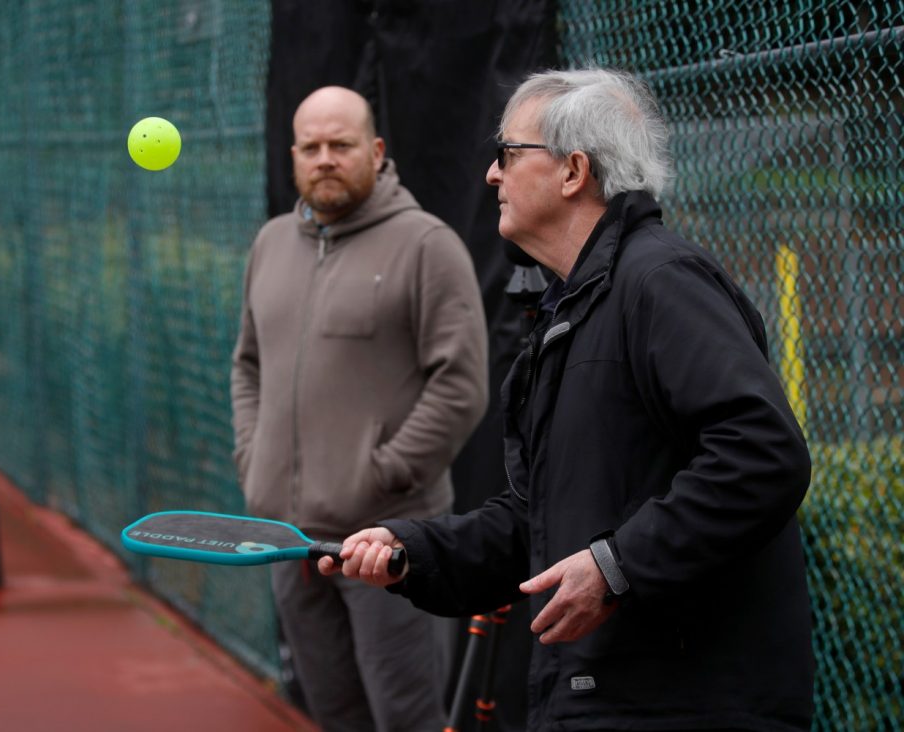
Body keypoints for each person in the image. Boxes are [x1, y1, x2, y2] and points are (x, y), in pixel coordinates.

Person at [320, 67, 815, 731]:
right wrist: (413, 552)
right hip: (603, 697)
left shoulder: (661, 282)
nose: (492, 175)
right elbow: (535, 524)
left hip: (683, 706)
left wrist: (615, 567)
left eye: (508, 154)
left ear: (573, 171)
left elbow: (763, 454)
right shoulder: (566, 317)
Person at [231, 85, 489, 731]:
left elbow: (460, 385)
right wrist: (253, 457)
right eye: (310, 147)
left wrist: (380, 478)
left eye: (340, 145)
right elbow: (248, 365)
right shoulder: (269, 244)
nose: (324, 158)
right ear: (292, 155)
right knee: (332, 713)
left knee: (408, 719)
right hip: (288, 545)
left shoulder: (427, 245)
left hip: (388, 546)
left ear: (374, 151)